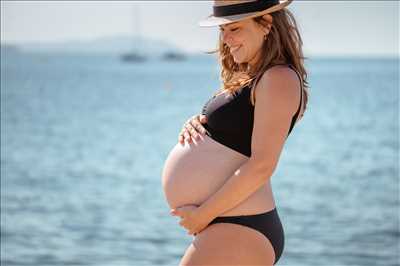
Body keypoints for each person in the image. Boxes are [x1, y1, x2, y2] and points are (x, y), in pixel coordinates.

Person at [171, 0, 309, 265]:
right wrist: (199, 125)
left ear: (266, 24)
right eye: (222, 30)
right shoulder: (257, 78)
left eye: (234, 29)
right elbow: (235, 135)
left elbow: (262, 165)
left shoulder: (278, 77)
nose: (226, 39)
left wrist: (203, 215)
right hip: (230, 222)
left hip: (240, 224)